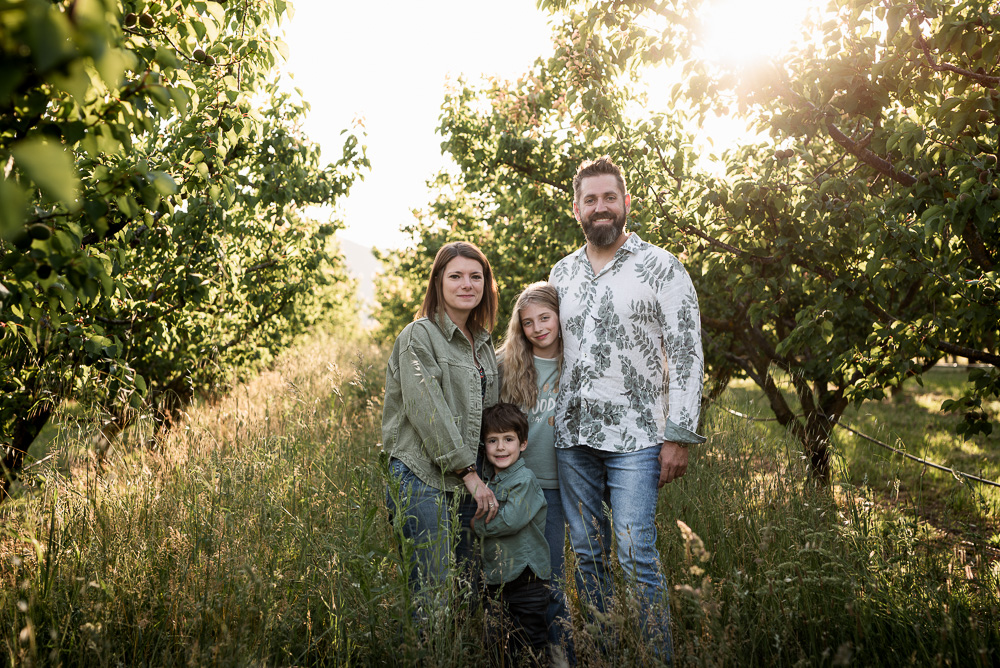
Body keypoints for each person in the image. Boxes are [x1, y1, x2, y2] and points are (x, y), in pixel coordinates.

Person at [548, 156, 706, 658]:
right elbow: (545, 346)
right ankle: (606, 650)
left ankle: (657, 655)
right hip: (572, 437)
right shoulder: (562, 273)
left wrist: (679, 434)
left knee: (637, 552)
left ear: (626, 203)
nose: (601, 208)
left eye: (609, 198)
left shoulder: (662, 267)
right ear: (577, 209)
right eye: (590, 200)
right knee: (589, 555)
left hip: (638, 438)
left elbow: (686, 351)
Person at [382, 241, 500, 612]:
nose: (467, 284)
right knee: (431, 595)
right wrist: (467, 472)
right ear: (438, 282)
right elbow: (427, 409)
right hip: (422, 476)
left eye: (475, 277)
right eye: (456, 276)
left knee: (469, 590)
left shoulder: (482, 344)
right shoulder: (419, 335)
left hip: (472, 481)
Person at [497, 282, 575, 665]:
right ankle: (523, 648)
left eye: (545, 317)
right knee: (526, 575)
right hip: (523, 485)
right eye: (528, 323)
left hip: (564, 485)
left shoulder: (577, 361)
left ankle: (561, 652)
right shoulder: (507, 363)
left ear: (561, 317)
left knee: (556, 575)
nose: (538, 328)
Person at [475, 402, 550, 667]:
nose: (501, 447)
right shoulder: (488, 482)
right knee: (499, 645)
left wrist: (475, 525)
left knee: (531, 647)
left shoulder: (524, 480)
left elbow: (510, 520)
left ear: (523, 444)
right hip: (497, 580)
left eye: (509, 439)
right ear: (484, 447)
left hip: (526, 579)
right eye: (492, 440)